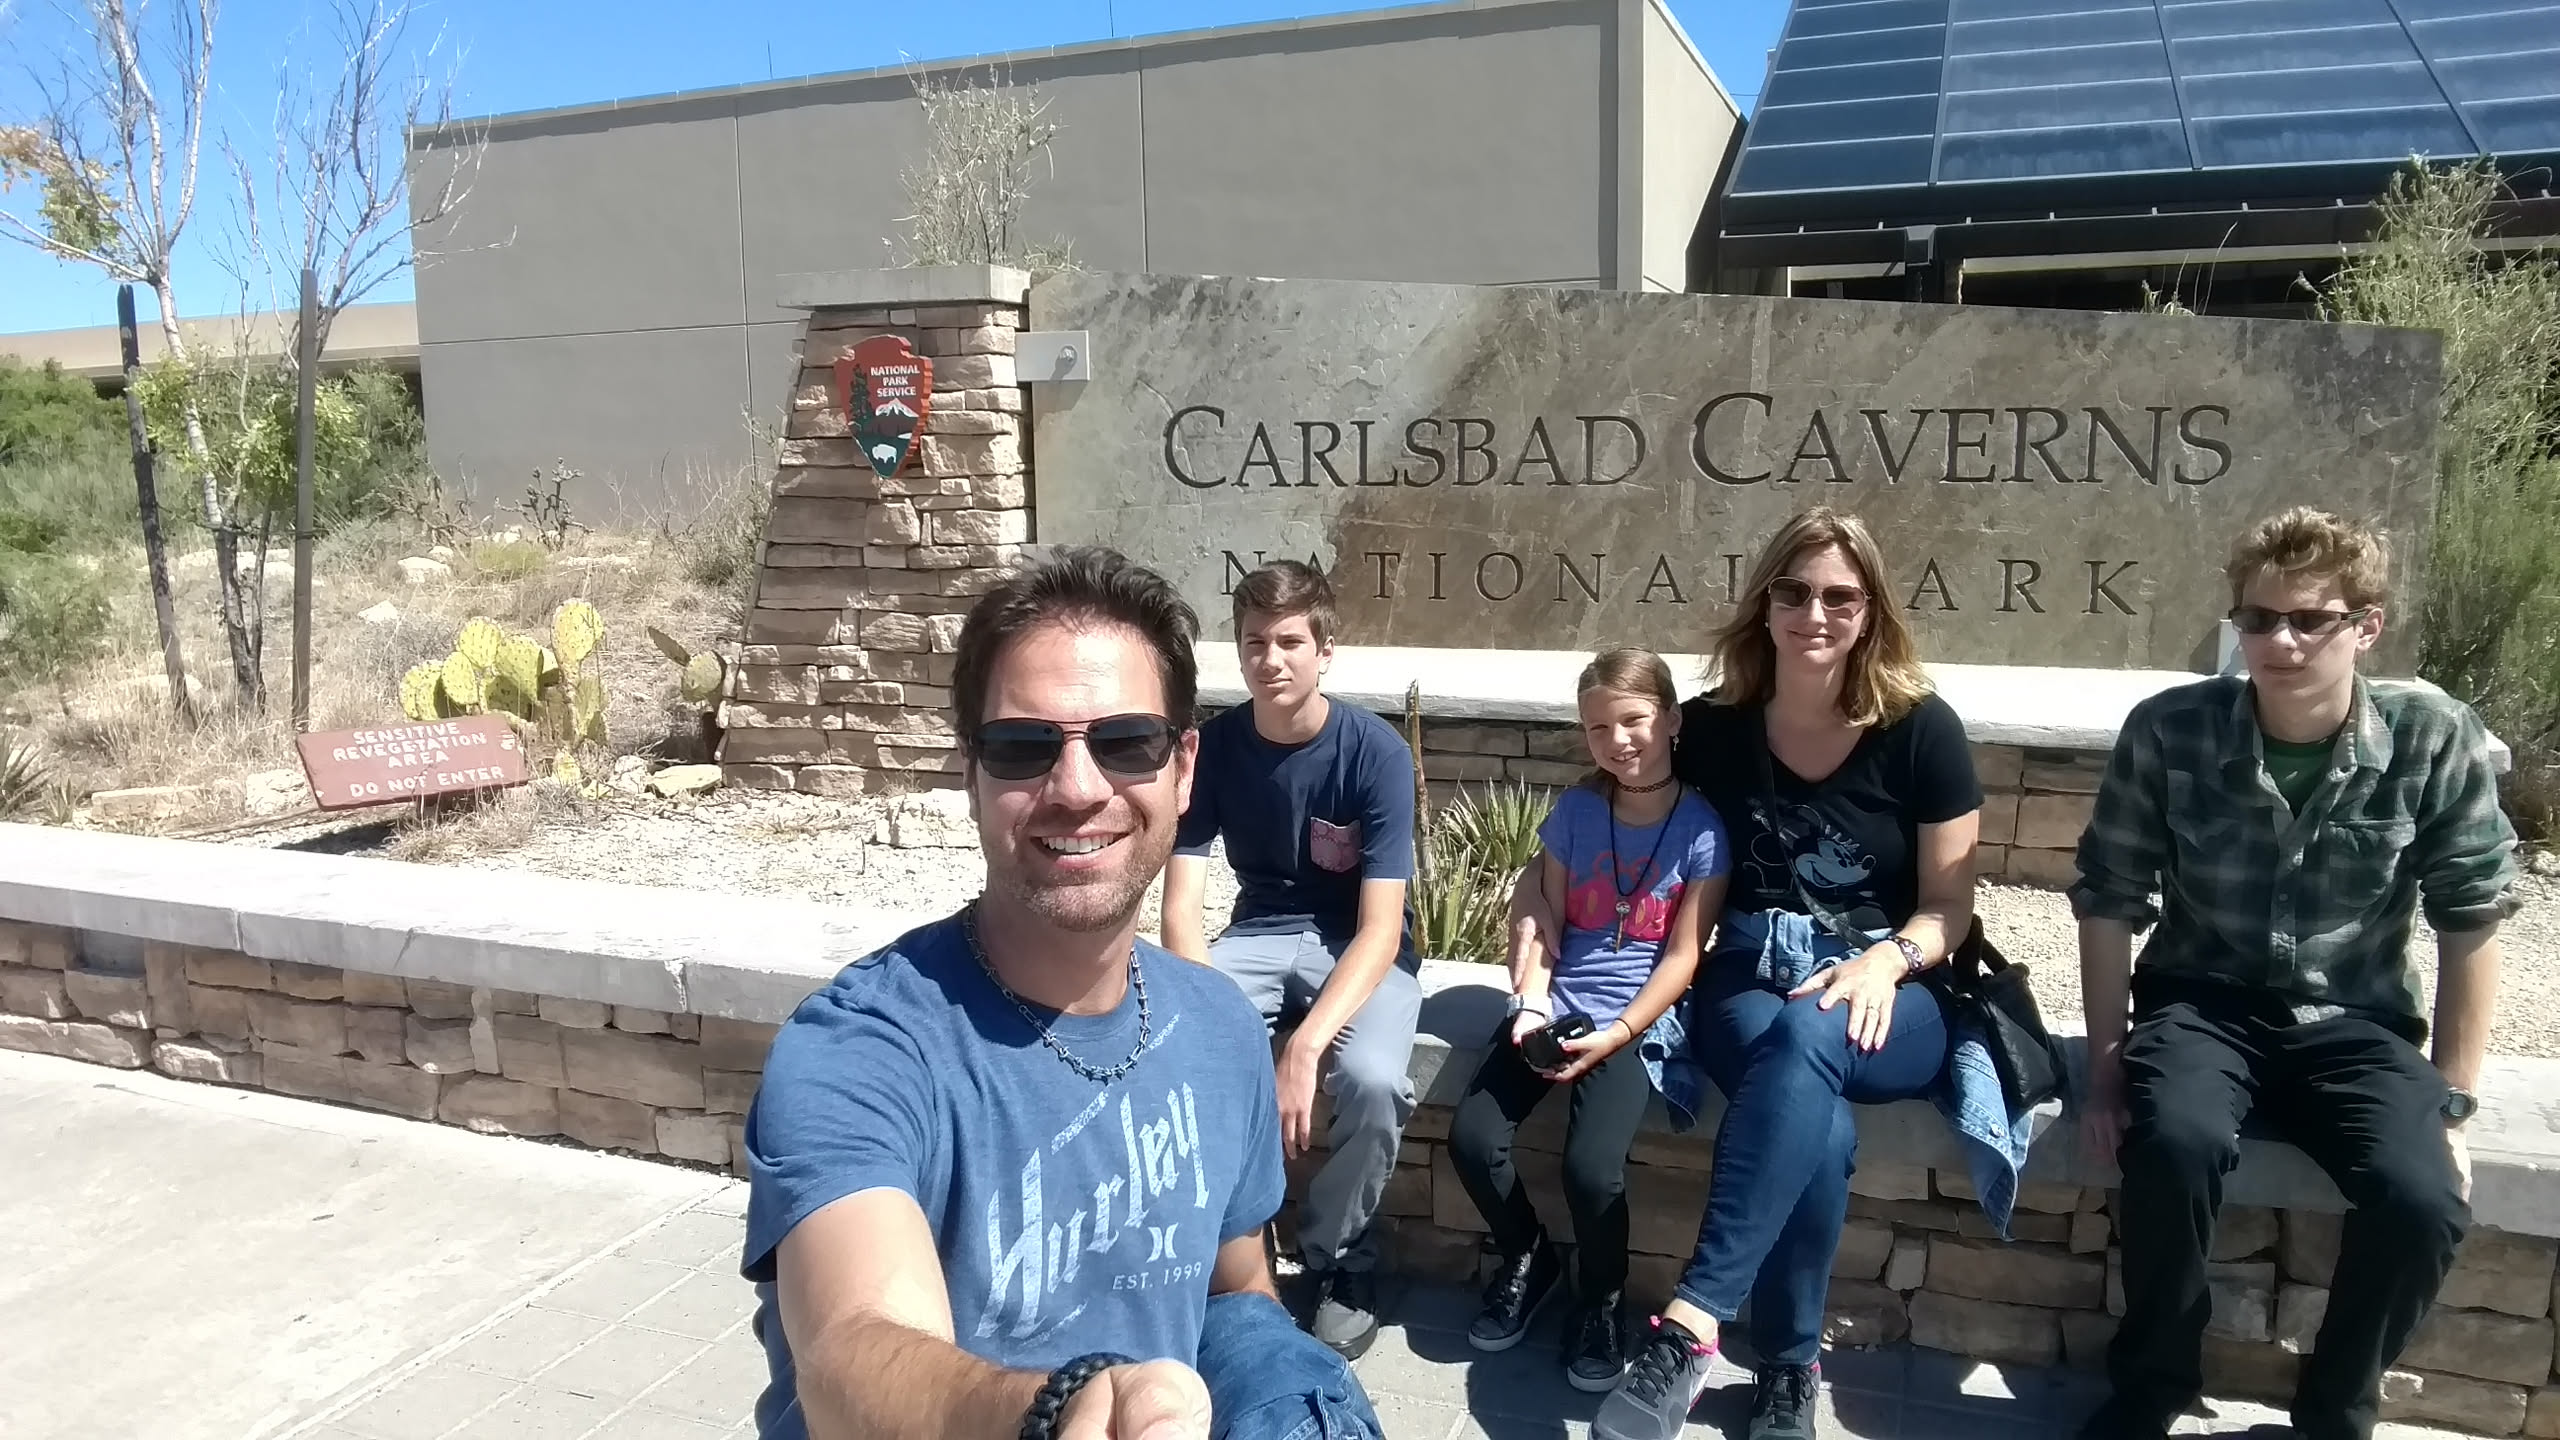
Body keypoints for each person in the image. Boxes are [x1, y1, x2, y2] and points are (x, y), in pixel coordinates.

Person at [740, 547, 1381, 1440]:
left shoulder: (1221, 1030)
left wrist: (1289, 1401)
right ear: (971, 773)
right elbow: (851, 1355)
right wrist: (1060, 1411)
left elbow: (1233, 1287)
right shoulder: (864, 1049)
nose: (1078, 789)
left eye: (1126, 742)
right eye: (1022, 747)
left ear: (1183, 767)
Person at [1525, 508, 1991, 1440]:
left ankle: (1692, 1325)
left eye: (1840, 597)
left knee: (1811, 1028)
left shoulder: (1921, 731)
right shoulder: (1715, 727)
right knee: (1816, 1123)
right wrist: (1555, 938)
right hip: (1748, 973)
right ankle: (1787, 1367)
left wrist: (1885, 960)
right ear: (1765, 603)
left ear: (1871, 611)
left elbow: (1949, 906)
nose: (1815, 613)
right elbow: (1620, 793)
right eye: (1794, 591)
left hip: (1892, 988)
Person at [2073, 509, 2516, 1440]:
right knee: (2174, 1144)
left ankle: (2335, 1409)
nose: (2280, 642)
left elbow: (2470, 917)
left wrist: (2454, 1102)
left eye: (2310, 620)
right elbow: (2109, 898)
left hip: (2356, 1021)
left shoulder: (2433, 737)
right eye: (2259, 618)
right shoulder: (2171, 731)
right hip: (2203, 1005)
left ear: (2366, 626)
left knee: (2423, 1199)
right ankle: (2152, 1385)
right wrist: (2107, 1066)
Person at [1160, 560, 1420, 1361]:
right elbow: (1178, 912)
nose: (1269, 659)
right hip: (1260, 934)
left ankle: (1342, 1257)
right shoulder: (1215, 747)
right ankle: (1235, 1245)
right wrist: (1220, 1026)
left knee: (1373, 1079)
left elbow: (1381, 930)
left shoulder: (1374, 753)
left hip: (1359, 943)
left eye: (1288, 642)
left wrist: (1304, 1049)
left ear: (1325, 650)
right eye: (1253, 643)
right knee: (1177, 1051)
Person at [1450, 647, 1729, 1392]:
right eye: (1598, 727)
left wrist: (1621, 1032)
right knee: (1473, 1138)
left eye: (1633, 720)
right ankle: (1529, 1255)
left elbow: (1683, 956)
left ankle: (1601, 1300)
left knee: (1591, 1170)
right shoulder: (1577, 812)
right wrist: (1531, 1004)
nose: (1618, 740)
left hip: (1635, 1024)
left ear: (1671, 719)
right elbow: (1543, 914)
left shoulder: (1702, 830)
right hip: (1558, 1006)